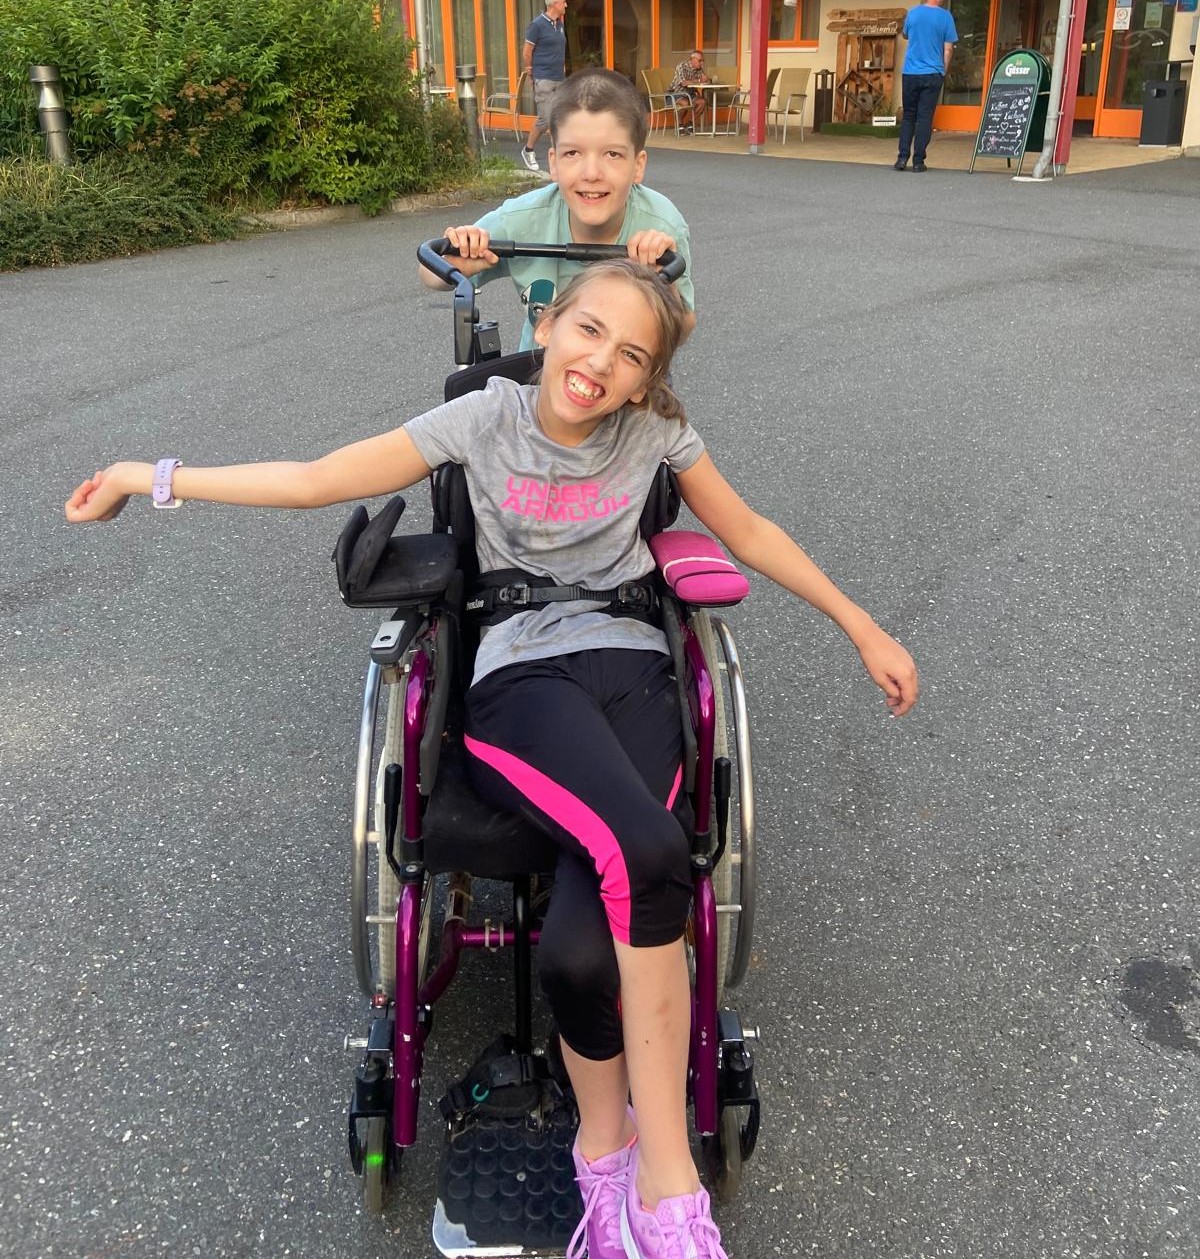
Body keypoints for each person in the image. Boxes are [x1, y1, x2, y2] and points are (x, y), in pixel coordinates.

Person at [65, 259, 919, 1259]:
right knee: (649, 850)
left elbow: (751, 530)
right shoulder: (484, 419)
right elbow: (315, 478)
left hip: (636, 673)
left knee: (577, 955)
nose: (601, 362)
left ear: (647, 380)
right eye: (589, 331)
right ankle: (668, 1189)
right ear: (548, 326)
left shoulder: (657, 436)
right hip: (523, 676)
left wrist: (863, 626)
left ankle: (603, 1159)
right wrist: (144, 476)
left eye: (631, 354)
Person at [420, 68, 697, 352]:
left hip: (623, 373)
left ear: (638, 166)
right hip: (540, 372)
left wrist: (665, 286)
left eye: (612, 154)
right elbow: (429, 272)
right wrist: (457, 263)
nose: (591, 173)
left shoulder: (661, 226)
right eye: (572, 153)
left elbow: (683, 329)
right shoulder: (523, 219)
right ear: (553, 163)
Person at [894, 0, 957, 172]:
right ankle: (918, 161)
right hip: (932, 72)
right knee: (924, 118)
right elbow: (948, 49)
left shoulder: (912, 13)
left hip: (910, 72)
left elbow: (905, 35)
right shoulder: (946, 17)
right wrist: (943, 70)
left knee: (909, 116)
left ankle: (902, 158)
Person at [520, 0, 568, 170]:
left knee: (557, 118)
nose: (566, 5)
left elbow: (559, 50)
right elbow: (527, 52)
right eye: (563, 2)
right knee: (546, 119)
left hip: (559, 78)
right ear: (554, 4)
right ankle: (528, 150)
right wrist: (530, 73)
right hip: (544, 78)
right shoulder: (537, 25)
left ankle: (559, 158)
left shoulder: (559, 25)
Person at [668, 49, 710, 135]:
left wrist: (707, 79)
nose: (702, 63)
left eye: (703, 61)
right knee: (685, 103)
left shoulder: (699, 69)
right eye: (700, 60)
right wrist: (699, 80)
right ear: (693, 60)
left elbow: (704, 80)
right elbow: (684, 83)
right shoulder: (682, 66)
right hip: (676, 93)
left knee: (702, 102)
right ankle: (679, 123)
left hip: (690, 94)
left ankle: (690, 123)